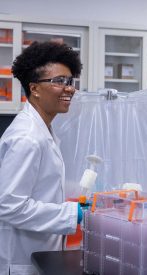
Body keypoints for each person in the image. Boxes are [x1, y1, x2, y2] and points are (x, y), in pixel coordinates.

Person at [0, 41, 83, 275]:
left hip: (40, 255)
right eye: (59, 81)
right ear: (34, 88)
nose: (70, 88)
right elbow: (9, 205)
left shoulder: (43, 129)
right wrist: (72, 213)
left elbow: (40, 184)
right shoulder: (27, 137)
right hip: (21, 261)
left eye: (70, 81)